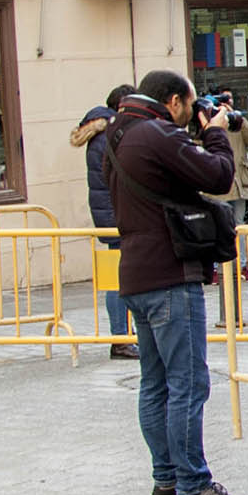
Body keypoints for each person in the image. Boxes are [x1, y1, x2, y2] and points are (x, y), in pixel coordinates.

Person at [106, 70, 247, 495]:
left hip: (135, 272)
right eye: (188, 106)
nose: (192, 114)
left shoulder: (117, 130)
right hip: (170, 272)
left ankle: (165, 479)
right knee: (188, 383)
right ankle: (194, 487)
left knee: (155, 383)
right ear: (172, 101)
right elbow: (220, 175)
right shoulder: (156, 133)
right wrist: (216, 134)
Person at [72, 84, 138, 359]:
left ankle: (122, 335)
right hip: (116, 213)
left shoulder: (102, 132)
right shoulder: (110, 135)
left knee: (118, 277)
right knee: (119, 279)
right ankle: (120, 337)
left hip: (110, 212)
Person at [207, 89, 248, 326]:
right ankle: (221, 268)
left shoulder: (236, 122)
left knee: (238, 228)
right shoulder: (208, 122)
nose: (225, 106)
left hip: (238, 181)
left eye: (228, 101)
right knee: (219, 229)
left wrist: (236, 116)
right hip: (218, 185)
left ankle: (239, 267)